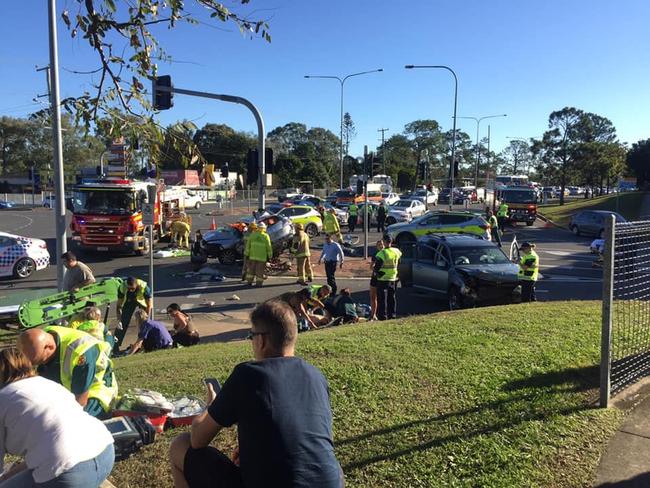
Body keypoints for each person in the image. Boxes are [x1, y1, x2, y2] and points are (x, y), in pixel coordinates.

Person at [168, 300, 343, 488]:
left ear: (262, 340)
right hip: (330, 483)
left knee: (180, 444)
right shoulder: (316, 376)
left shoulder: (248, 374)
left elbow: (197, 439)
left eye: (251, 335)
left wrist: (211, 404)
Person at [0, 347, 115, 488]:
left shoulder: (3, 399)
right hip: (105, 453)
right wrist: (7, 476)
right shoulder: (47, 383)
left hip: (69, 475)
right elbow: (50, 446)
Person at [18, 326, 118, 418]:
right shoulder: (47, 336)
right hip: (69, 390)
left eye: (38, 362)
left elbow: (80, 400)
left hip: (95, 392)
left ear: (49, 347)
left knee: (80, 421)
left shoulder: (80, 352)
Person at [115, 276, 153, 352]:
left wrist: (147, 318)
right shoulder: (122, 287)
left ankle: (147, 344)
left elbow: (149, 305)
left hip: (142, 301)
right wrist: (119, 319)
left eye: (132, 288)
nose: (130, 290)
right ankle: (115, 347)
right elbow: (119, 306)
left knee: (144, 323)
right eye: (129, 288)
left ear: (137, 285)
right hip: (129, 300)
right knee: (123, 323)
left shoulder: (144, 288)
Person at [374, 235, 402, 320]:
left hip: (382, 279)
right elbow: (399, 262)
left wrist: (376, 273)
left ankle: (382, 316)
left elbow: (377, 267)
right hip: (393, 277)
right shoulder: (396, 251)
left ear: (384, 242)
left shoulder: (382, 253)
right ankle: (392, 315)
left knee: (382, 299)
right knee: (392, 298)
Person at [245, 222, 272, 287]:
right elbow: (269, 247)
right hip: (262, 257)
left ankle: (249, 282)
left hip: (252, 256)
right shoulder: (265, 236)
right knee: (260, 271)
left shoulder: (252, 235)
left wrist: (247, 255)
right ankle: (259, 283)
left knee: (251, 270)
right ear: (264, 228)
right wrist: (270, 256)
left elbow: (248, 246)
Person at [369, 239, 385, 321]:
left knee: (382, 297)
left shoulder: (387, 253)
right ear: (376, 246)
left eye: (382, 244)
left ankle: (382, 314)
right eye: (379, 244)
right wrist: (375, 270)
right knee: (373, 296)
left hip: (384, 277)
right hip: (375, 277)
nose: (381, 246)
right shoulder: (375, 254)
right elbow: (371, 266)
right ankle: (373, 314)